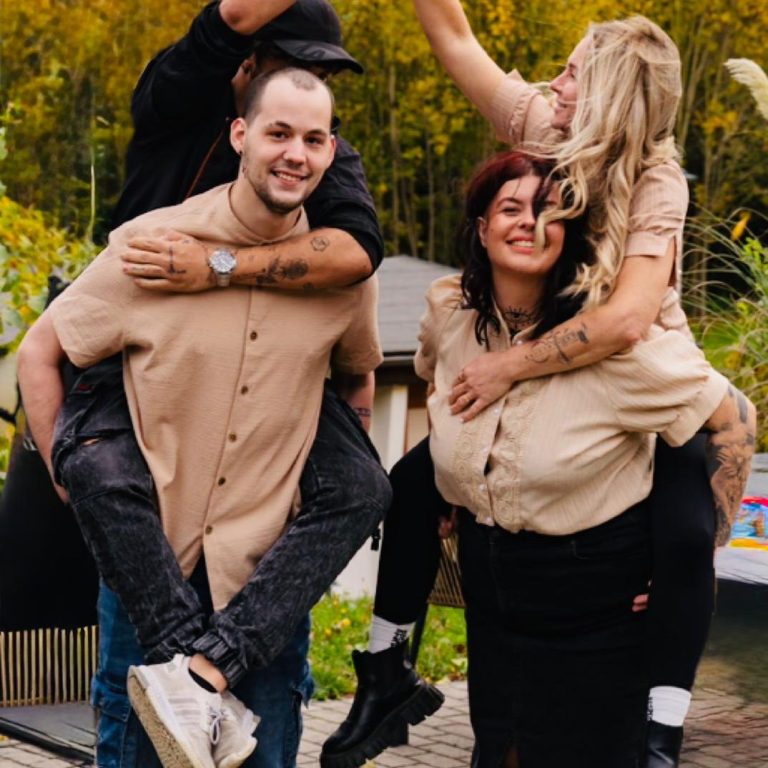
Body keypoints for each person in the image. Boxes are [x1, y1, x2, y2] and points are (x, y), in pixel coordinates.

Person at [321, 6, 750, 768]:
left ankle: (663, 731)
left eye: (574, 70)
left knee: (684, 546)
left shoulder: (654, 183)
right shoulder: (546, 127)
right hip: (541, 366)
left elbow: (626, 321)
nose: (555, 80)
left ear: (609, 94)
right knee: (414, 482)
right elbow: (456, 40)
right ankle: (386, 670)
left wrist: (509, 366)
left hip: (647, 387)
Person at [8, 1, 391, 766]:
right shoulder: (160, 210)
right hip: (152, 549)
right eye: (279, 129)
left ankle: (206, 671)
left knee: (364, 484)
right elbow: (40, 351)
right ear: (242, 124)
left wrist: (323, 491)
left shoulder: (338, 252)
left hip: (261, 580)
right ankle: (192, 668)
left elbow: (358, 373)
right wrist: (61, 470)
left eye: (315, 134)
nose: (297, 150)